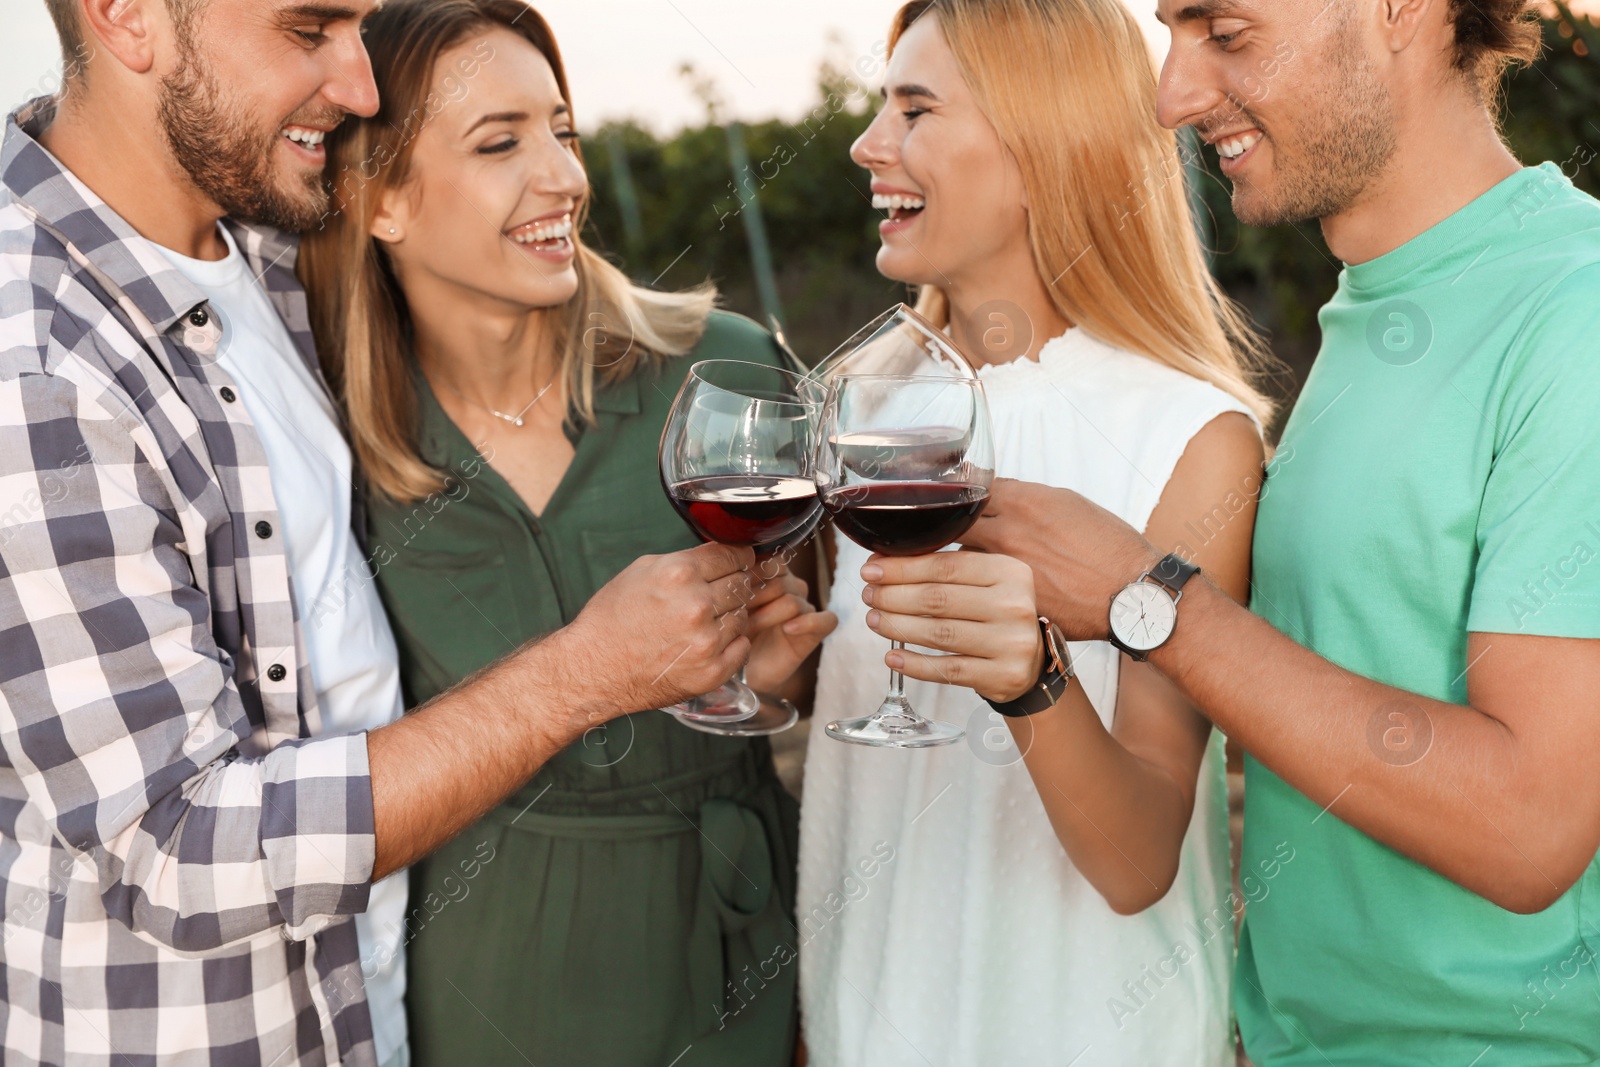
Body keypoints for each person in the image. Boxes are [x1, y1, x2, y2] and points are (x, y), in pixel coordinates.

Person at [0, 1, 767, 1064]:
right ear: (127, 17)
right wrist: (585, 672)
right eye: (309, 29)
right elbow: (175, 849)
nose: (361, 87)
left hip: (375, 1010)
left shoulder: (266, 247)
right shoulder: (38, 369)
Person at [866, 0, 1600, 1063]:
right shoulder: (1376, 310)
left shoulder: (1572, 313)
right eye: (1172, 31)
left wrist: (1145, 595)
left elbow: (1530, 828)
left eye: (1227, 31)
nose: (1173, 93)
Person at [296, 2, 837, 1065]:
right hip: (476, 978)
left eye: (563, 131)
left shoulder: (728, 375)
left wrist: (774, 681)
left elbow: (804, 657)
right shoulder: (328, 446)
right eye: (501, 143)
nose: (563, 176)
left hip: (723, 961)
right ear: (381, 200)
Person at [795, 1, 1276, 1063]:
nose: (867, 144)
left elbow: (1137, 855)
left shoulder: (1191, 434)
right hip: (870, 1028)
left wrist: (1031, 682)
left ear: (1043, 143)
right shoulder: (851, 407)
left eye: (914, 109)